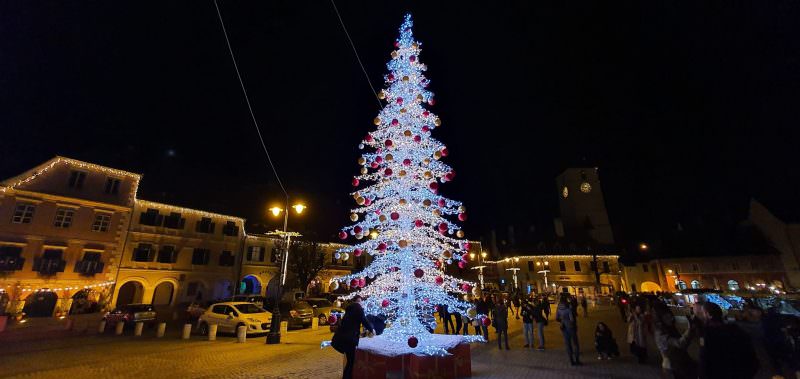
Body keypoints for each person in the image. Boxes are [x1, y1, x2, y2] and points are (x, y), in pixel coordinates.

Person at [697, 302, 759, 379]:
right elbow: (750, 354)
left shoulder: (707, 334)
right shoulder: (736, 330)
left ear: (708, 314)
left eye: (702, 313)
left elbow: (704, 358)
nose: (700, 316)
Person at [331, 295, 374, 379]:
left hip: (343, 338)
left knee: (350, 361)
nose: (362, 303)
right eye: (361, 301)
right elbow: (364, 320)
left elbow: (351, 323)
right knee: (351, 362)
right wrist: (372, 329)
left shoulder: (350, 309)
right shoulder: (358, 308)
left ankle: (347, 376)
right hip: (349, 339)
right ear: (358, 301)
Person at [652, 302, 695, 378]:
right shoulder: (660, 332)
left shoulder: (669, 328)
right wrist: (690, 329)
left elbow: (683, 345)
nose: (671, 318)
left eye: (670, 315)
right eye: (667, 316)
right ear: (661, 318)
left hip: (680, 363)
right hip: (672, 367)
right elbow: (679, 344)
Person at [556, 294, 581, 365]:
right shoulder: (568, 307)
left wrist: (562, 320)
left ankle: (571, 360)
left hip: (563, 327)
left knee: (568, 344)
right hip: (571, 327)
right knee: (575, 344)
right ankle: (577, 359)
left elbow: (557, 318)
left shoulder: (558, 308)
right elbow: (572, 319)